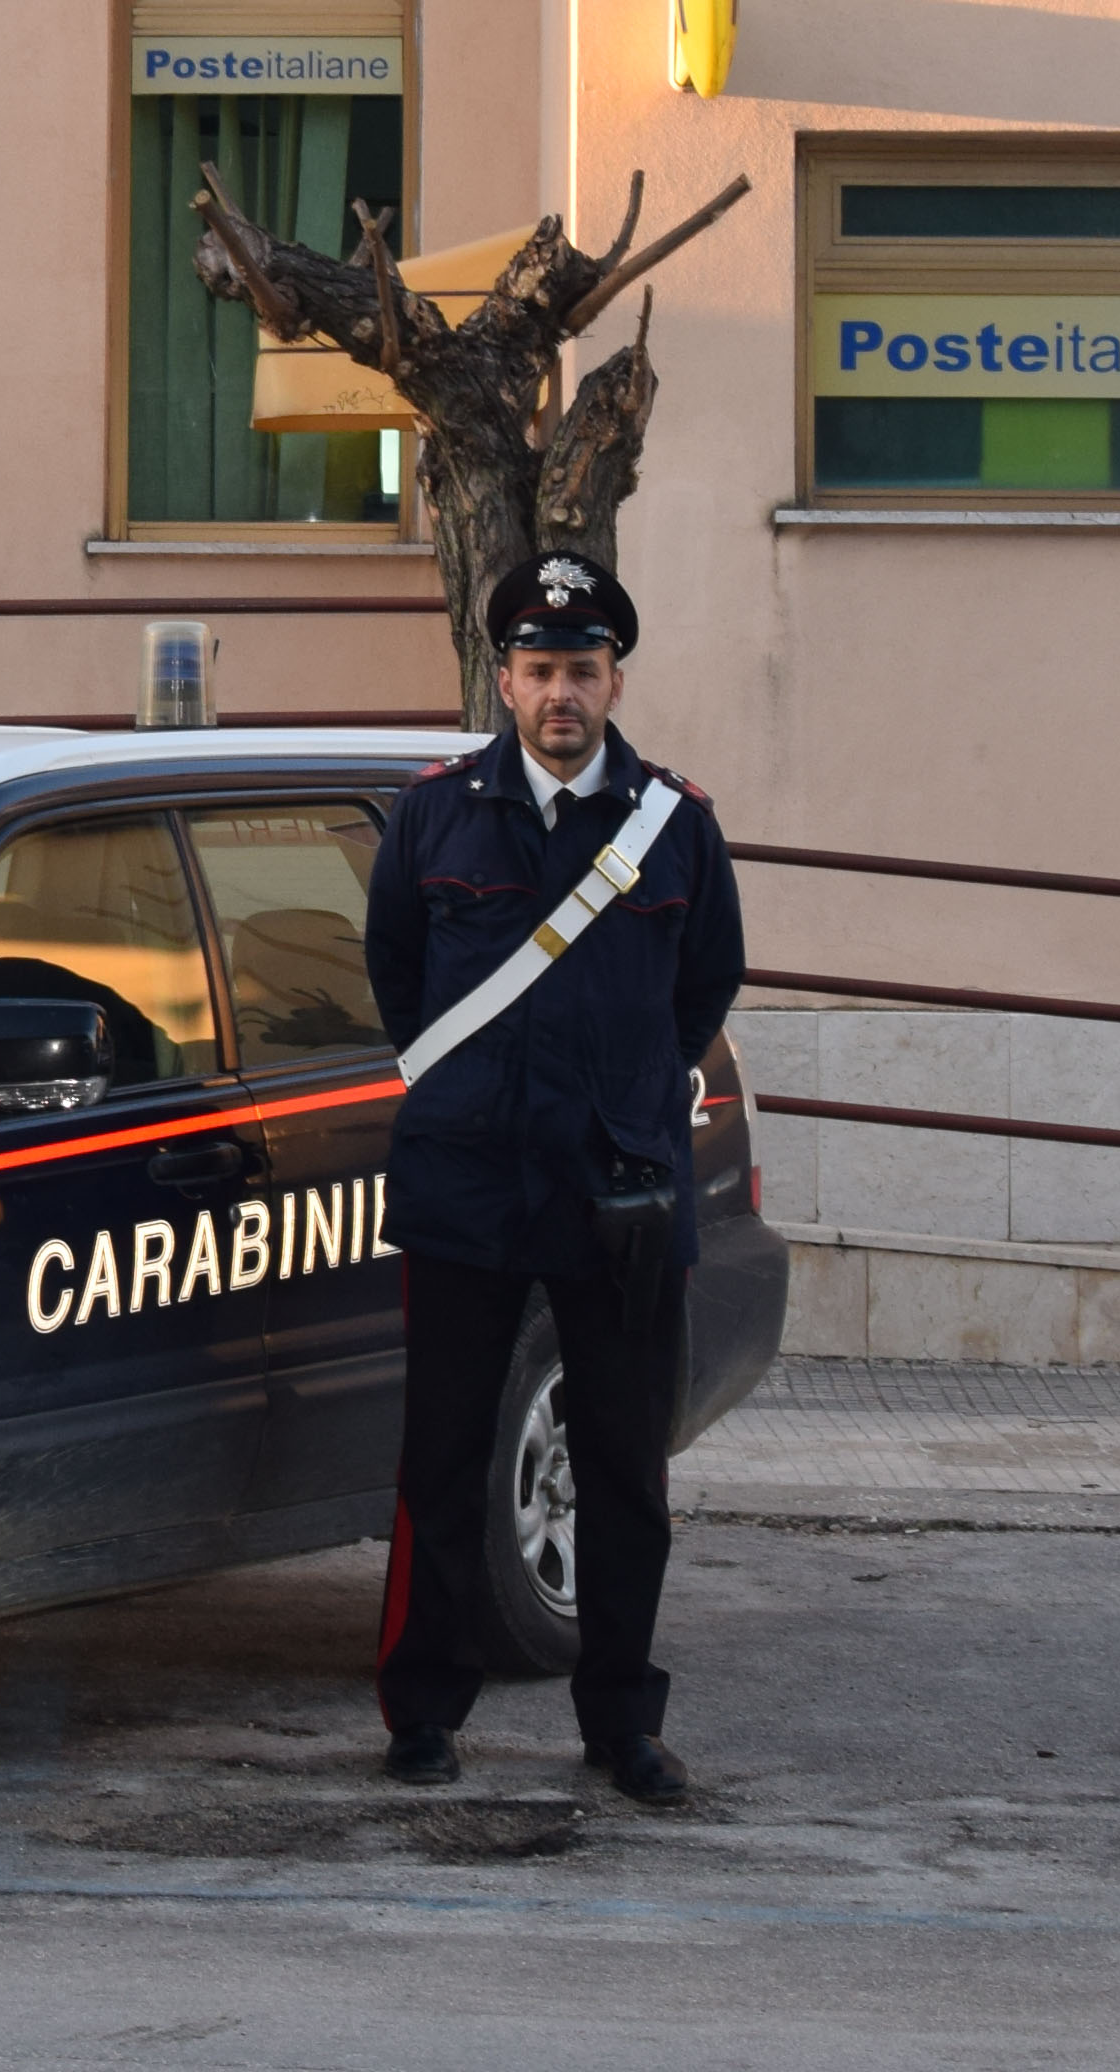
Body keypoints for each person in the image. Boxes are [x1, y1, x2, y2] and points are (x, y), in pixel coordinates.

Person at [362, 549, 742, 1809]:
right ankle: (424, 1712)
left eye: (583, 669)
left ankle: (622, 1723)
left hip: (619, 1193)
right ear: (505, 680)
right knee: (443, 1461)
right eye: (539, 670)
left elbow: (705, 987)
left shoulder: (675, 825)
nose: (561, 692)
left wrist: (628, 1096)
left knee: (627, 1468)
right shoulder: (435, 813)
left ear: (615, 678)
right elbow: (398, 975)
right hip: (466, 1186)